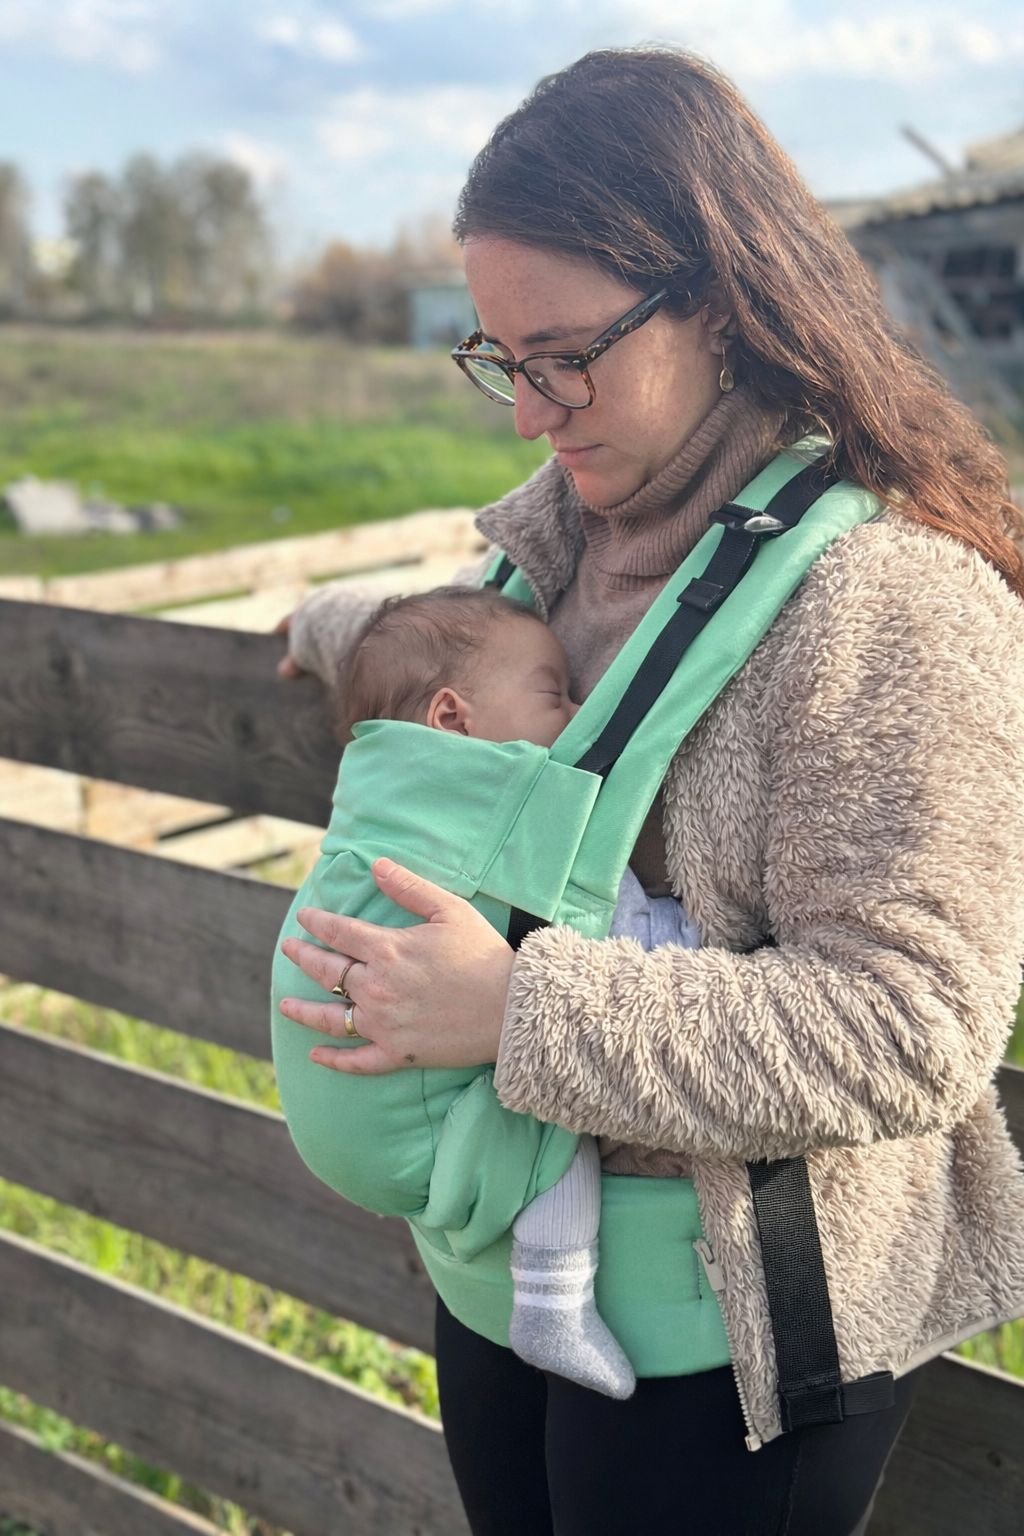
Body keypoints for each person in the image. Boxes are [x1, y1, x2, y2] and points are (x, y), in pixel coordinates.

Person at [273, 45, 1024, 1536]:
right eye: (501, 359)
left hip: (731, 1338)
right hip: (501, 1273)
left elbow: (917, 1024)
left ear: (720, 300)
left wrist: (516, 1011)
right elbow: (499, 663)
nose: (529, 411)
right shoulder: (555, 542)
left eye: (565, 354)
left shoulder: (891, 606)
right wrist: (337, 625)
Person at [276, 582, 704, 1400]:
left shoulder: (390, 787)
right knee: (550, 1094)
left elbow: (409, 642)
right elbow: (611, 933)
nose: (578, 710)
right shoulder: (508, 819)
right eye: (555, 693)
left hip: (323, 1099)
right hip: (399, 1128)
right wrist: (695, 933)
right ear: (452, 719)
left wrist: (312, 621)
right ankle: (553, 1300)